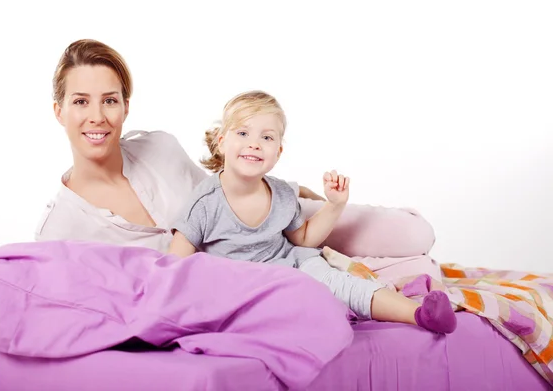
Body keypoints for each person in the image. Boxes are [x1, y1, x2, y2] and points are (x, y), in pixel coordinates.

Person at [167, 90, 457, 334]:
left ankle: (420, 314)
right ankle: (325, 313)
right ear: (222, 141)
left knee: (342, 285)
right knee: (291, 305)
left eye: (267, 138)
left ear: (278, 151)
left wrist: (334, 205)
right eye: (242, 132)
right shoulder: (205, 202)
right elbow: (175, 263)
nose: (254, 143)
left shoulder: (281, 193)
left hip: (292, 263)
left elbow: (304, 240)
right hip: (245, 282)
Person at [35, 39, 323, 250]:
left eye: (109, 100)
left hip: (266, 241)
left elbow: (221, 196)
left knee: (358, 225)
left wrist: (297, 193)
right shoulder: (57, 231)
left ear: (125, 107)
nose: (97, 117)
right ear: (59, 111)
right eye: (81, 102)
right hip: (204, 314)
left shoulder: (160, 148)